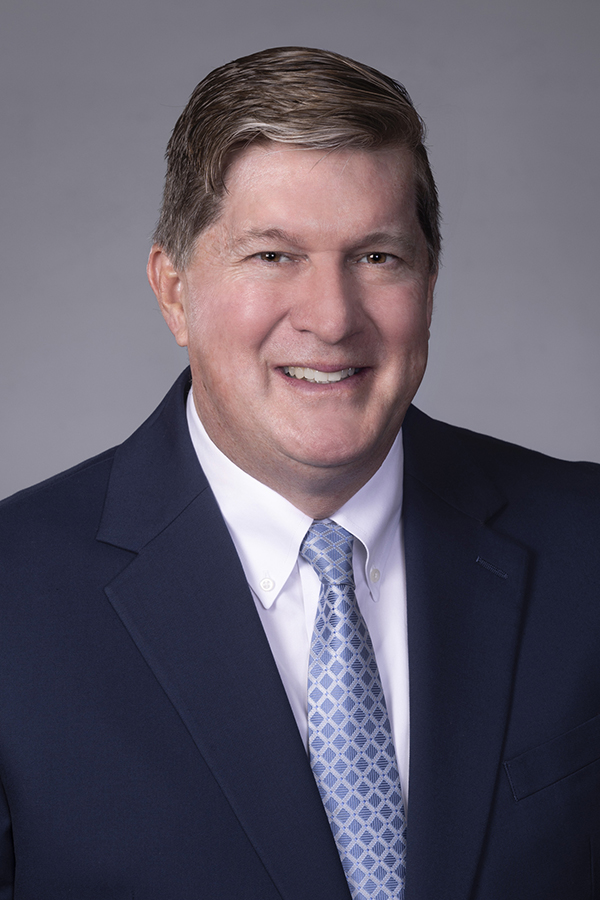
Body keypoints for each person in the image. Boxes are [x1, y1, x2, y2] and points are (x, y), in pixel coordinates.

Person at [1, 46, 599, 900]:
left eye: (378, 257)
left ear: (429, 282)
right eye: (272, 256)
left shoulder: (585, 544)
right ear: (174, 290)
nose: (331, 317)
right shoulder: (15, 597)